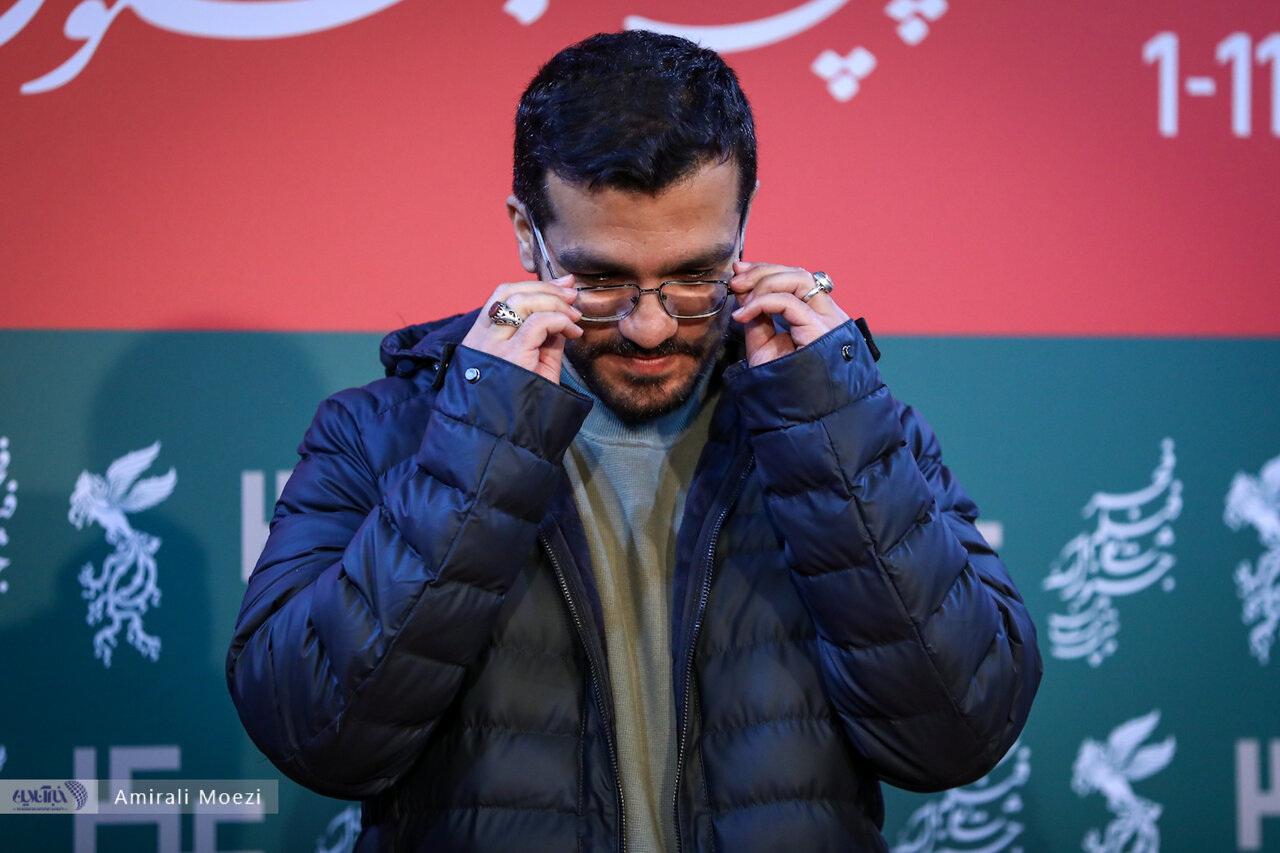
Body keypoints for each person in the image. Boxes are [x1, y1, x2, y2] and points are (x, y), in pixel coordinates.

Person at [226, 30, 1041, 853]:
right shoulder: (383, 432)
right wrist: (482, 437)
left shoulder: (843, 421)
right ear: (526, 234)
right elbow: (318, 735)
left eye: (695, 276)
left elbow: (958, 734)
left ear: (745, 227)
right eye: (601, 280)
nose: (650, 326)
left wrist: (828, 429)